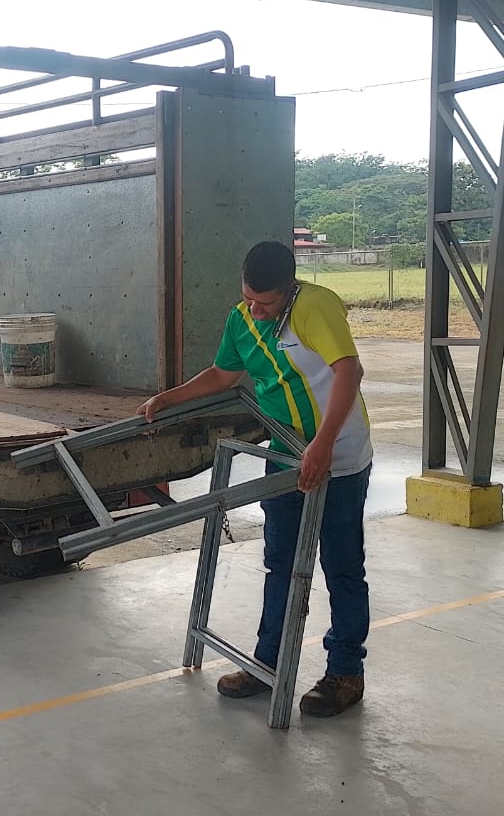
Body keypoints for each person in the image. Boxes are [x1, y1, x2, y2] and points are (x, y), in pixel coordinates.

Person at [138, 240, 373, 718]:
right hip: (286, 455)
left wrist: (324, 444)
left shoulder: (315, 306)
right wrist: (169, 397)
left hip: (338, 455)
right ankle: (268, 663)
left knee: (342, 566)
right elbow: (223, 375)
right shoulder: (241, 318)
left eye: (266, 302)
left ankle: (345, 672)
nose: (255, 309)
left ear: (289, 288)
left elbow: (349, 372)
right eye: (249, 297)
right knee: (280, 561)